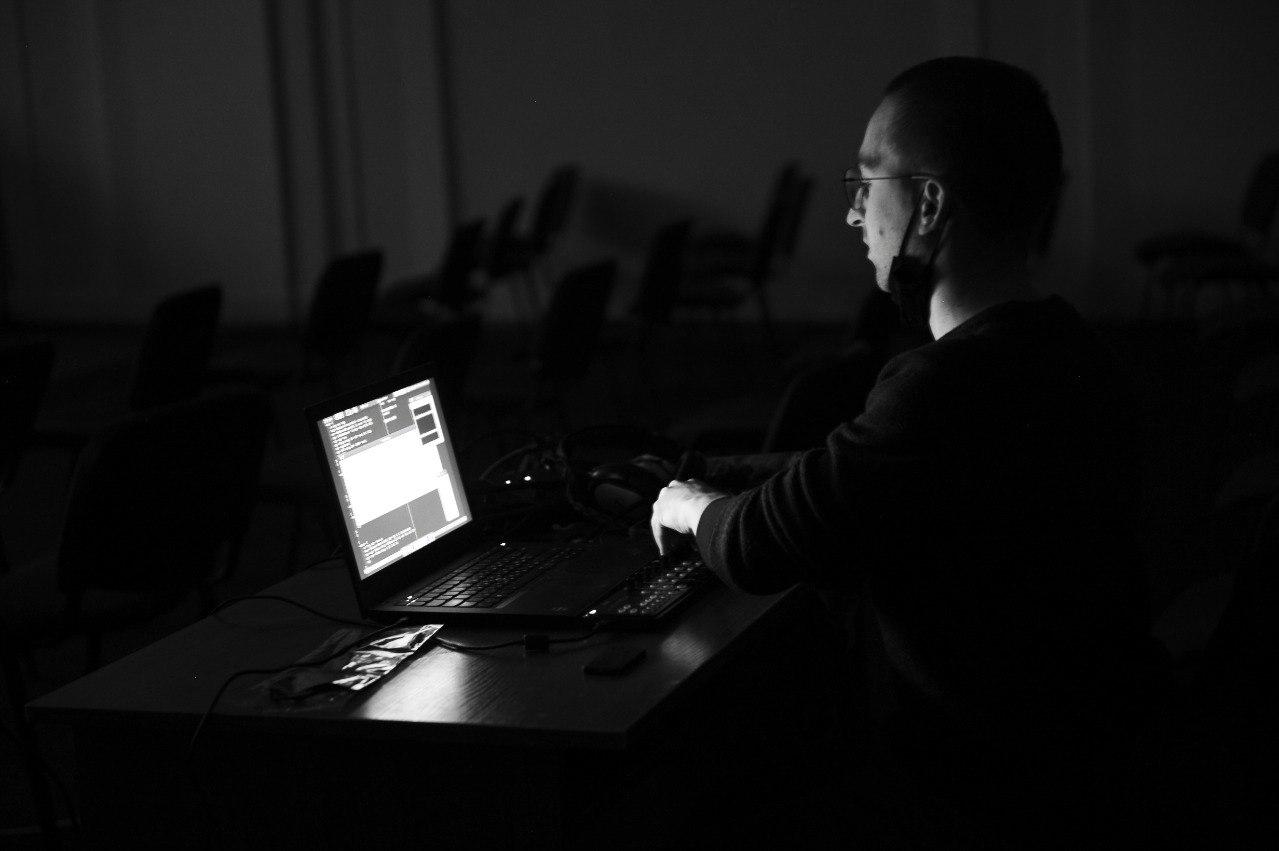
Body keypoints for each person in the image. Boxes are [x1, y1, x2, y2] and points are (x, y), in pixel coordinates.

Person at [650, 57, 1163, 846]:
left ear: (927, 202)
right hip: (1079, 761)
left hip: (970, 789)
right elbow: (861, 473)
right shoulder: (1064, 346)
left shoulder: (949, 384)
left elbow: (755, 545)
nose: (854, 215)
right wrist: (739, 472)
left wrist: (685, 505)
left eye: (866, 182)